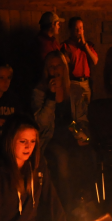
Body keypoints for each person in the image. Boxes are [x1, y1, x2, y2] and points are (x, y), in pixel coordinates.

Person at [31, 51, 94, 208]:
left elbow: (81, 119)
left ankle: (86, 199)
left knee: (89, 152)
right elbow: (41, 123)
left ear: (64, 68)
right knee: (62, 158)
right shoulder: (39, 92)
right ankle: (67, 205)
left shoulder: (75, 90)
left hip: (71, 131)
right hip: (50, 136)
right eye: (51, 67)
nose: (55, 70)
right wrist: (51, 97)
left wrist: (82, 133)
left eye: (58, 65)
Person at [60, 17, 98, 125]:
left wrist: (85, 45)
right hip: (73, 83)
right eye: (76, 29)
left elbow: (95, 61)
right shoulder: (66, 46)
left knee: (87, 113)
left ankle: (85, 134)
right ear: (71, 30)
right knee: (75, 114)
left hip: (85, 83)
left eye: (81, 28)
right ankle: (75, 134)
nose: (79, 31)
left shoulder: (88, 46)